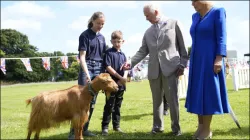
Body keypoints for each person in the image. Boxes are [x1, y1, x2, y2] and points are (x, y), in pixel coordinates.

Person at [123, 3, 188, 136]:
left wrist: (182, 64)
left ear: (156, 12)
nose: (146, 18)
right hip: (154, 71)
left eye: (147, 15)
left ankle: (176, 129)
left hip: (172, 69)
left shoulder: (174, 24)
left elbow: (183, 47)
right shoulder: (148, 32)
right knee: (156, 101)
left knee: (172, 100)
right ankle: (157, 128)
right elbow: (142, 51)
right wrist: (131, 62)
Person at [185, 1, 230, 139]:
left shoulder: (218, 12)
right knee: (198, 92)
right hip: (196, 60)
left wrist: (219, 58)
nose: (192, 4)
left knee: (207, 92)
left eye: (194, 1)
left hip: (210, 59)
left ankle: (207, 128)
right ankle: (201, 126)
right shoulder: (195, 16)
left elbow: (222, 37)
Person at [68, 11, 106, 139]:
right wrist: (86, 73)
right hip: (87, 67)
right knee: (80, 101)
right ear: (92, 21)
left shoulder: (102, 38)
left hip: (98, 68)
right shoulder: (84, 35)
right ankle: (73, 132)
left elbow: (103, 56)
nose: (100, 26)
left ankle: (85, 129)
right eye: (98, 23)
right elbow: (82, 57)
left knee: (92, 101)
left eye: (103, 24)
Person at [101, 30, 128, 136]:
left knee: (117, 105)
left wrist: (124, 78)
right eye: (115, 41)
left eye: (119, 41)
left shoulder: (123, 55)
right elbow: (108, 67)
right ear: (111, 41)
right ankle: (105, 127)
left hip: (121, 84)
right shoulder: (108, 53)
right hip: (111, 85)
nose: (117, 43)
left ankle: (116, 126)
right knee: (109, 105)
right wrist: (119, 77)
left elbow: (126, 68)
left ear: (123, 41)